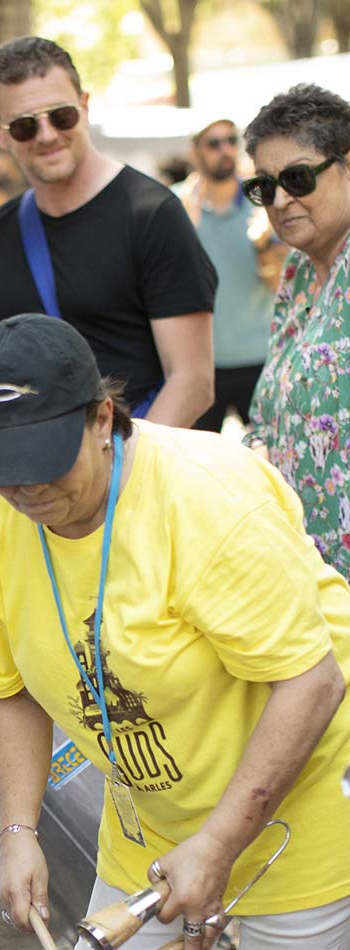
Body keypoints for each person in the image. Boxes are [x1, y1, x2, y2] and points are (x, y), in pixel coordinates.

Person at [0, 313, 350, 950]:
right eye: (2, 469)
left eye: (44, 459)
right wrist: (18, 832)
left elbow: (314, 680)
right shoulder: (8, 523)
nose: (24, 491)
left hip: (302, 801)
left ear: (101, 419)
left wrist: (221, 843)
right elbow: (12, 689)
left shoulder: (207, 502)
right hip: (153, 820)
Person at [0, 36, 218, 459]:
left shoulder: (152, 214)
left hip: (137, 474)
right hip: (39, 480)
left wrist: (119, 472)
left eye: (61, 116)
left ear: (84, 105)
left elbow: (192, 381)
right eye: (24, 125)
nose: (47, 135)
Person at [244, 84, 350, 582]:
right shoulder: (297, 274)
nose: (281, 200)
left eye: (299, 177)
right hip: (312, 580)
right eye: (265, 187)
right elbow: (269, 415)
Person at [175, 118, 283, 432]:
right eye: (213, 143)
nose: (225, 150)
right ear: (194, 151)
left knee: (271, 462)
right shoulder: (176, 207)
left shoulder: (264, 201)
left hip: (260, 357)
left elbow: (282, 285)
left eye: (231, 141)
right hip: (202, 364)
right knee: (201, 467)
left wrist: (265, 246)